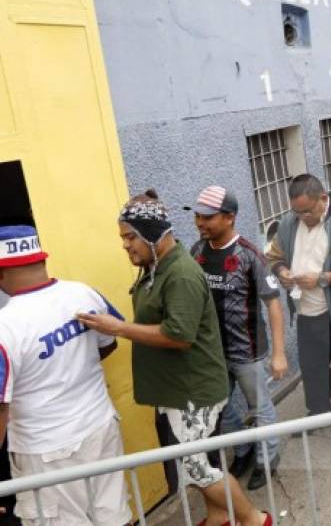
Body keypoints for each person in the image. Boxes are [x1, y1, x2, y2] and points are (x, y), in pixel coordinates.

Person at [79, 191, 271, 526]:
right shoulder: (156, 266)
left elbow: (179, 336)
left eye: (129, 237)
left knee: (197, 469)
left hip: (192, 393)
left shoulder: (180, 273)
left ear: (151, 235)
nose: (125, 245)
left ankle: (255, 519)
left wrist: (119, 328)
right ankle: (218, 517)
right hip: (176, 391)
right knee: (199, 464)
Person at [0, 225, 131, 526]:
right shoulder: (82, 293)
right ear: (40, 260)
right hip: (99, 426)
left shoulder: (6, 325)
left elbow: (1, 406)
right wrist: (70, 367)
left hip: (45, 450)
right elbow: (108, 343)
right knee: (112, 515)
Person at [187, 186, 285, 491]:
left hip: (249, 352)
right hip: (212, 353)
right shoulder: (197, 252)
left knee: (260, 406)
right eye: (198, 217)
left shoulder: (251, 255)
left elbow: (273, 303)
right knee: (222, 406)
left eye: (208, 217)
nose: (200, 223)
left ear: (229, 217)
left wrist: (279, 353)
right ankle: (242, 452)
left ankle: (266, 459)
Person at [265, 175, 331, 448]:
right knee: (313, 370)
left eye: (308, 211)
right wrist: (283, 273)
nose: (302, 217)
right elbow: (274, 256)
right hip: (306, 313)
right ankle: (318, 415)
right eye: (297, 211)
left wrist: (321, 279)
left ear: (323, 199)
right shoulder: (290, 224)